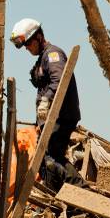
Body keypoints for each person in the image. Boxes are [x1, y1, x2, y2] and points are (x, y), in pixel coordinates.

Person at [10, 18, 85, 190]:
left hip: (61, 116)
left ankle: (83, 192)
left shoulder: (53, 55)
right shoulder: (42, 58)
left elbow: (59, 80)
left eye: (28, 44)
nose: (27, 49)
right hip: (52, 118)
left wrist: (46, 101)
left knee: (52, 158)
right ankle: (56, 197)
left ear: (38, 37)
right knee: (46, 158)